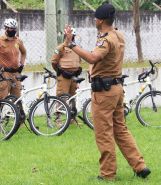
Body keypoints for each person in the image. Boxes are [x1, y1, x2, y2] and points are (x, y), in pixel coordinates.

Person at [63, 4, 150, 181]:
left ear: (101, 20)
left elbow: (93, 57)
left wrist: (71, 44)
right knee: (120, 129)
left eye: (95, 18)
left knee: (104, 133)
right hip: (116, 89)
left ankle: (107, 174)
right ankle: (140, 166)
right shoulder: (117, 35)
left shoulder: (106, 39)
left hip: (104, 92)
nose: (94, 20)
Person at [50, 28, 83, 126]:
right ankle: (58, 119)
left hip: (74, 77)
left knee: (73, 98)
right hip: (64, 76)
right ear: (66, 36)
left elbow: (79, 60)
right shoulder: (60, 48)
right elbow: (53, 62)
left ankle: (72, 118)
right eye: (69, 35)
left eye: (72, 36)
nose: (71, 37)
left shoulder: (76, 48)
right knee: (61, 98)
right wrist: (59, 71)